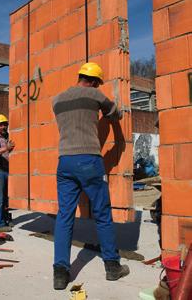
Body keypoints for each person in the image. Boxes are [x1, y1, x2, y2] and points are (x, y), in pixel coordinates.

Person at [52, 62, 130, 290]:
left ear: (79, 76)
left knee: (64, 216)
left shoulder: (57, 100)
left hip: (65, 161)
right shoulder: (95, 95)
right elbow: (116, 114)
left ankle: (60, 274)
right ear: (95, 81)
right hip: (88, 159)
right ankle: (112, 267)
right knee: (102, 214)